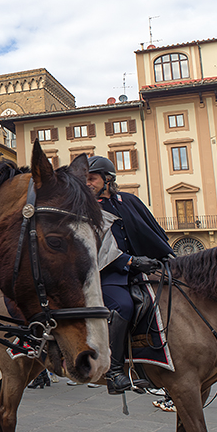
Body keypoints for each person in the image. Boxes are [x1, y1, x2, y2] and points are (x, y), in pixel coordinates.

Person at [86, 155, 173, 394]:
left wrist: (165, 257)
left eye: (92, 179)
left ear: (108, 179)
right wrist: (131, 261)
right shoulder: (86, 210)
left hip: (143, 270)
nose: (87, 184)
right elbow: (94, 249)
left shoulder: (130, 201)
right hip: (108, 275)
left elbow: (152, 233)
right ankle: (114, 372)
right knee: (123, 306)